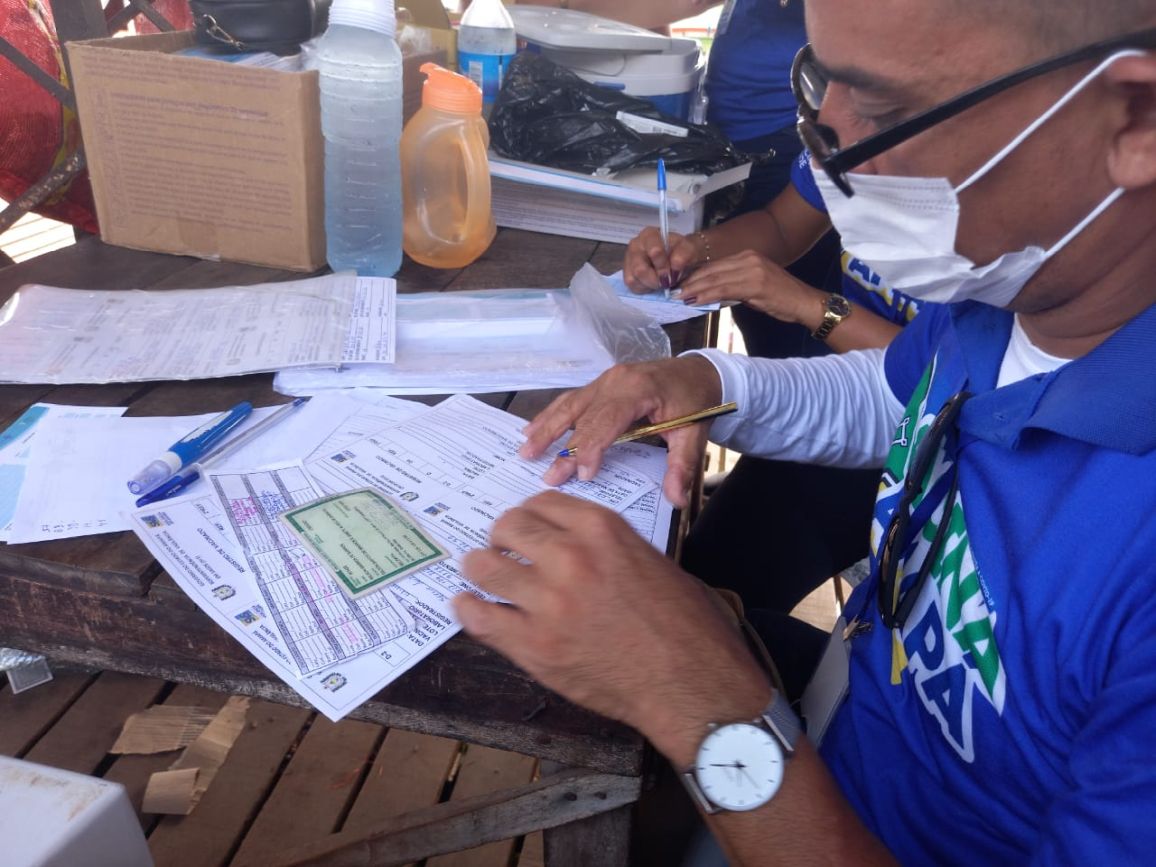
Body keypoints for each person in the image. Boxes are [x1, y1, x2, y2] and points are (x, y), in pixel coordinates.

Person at [451, 0, 1156, 862]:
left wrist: (704, 706)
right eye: (820, 81)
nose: (827, 141)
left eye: (886, 108)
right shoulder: (1013, 290)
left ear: (1135, 117)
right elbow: (900, 394)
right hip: (840, 723)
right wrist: (711, 380)